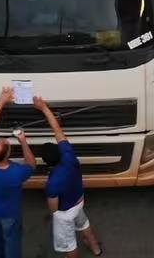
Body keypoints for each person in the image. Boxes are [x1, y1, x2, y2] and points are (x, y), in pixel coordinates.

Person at [33, 96, 102, 257]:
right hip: (79, 202)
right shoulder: (68, 155)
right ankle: (96, 249)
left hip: (65, 213)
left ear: (46, 162)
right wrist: (43, 107)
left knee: (69, 244)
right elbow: (58, 131)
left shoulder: (52, 182)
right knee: (84, 224)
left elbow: (53, 208)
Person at [0, 86, 36, 258]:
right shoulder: (15, 174)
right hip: (9, 214)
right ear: (7, 155)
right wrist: (23, 141)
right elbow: (31, 164)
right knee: (12, 243)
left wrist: (1, 101)